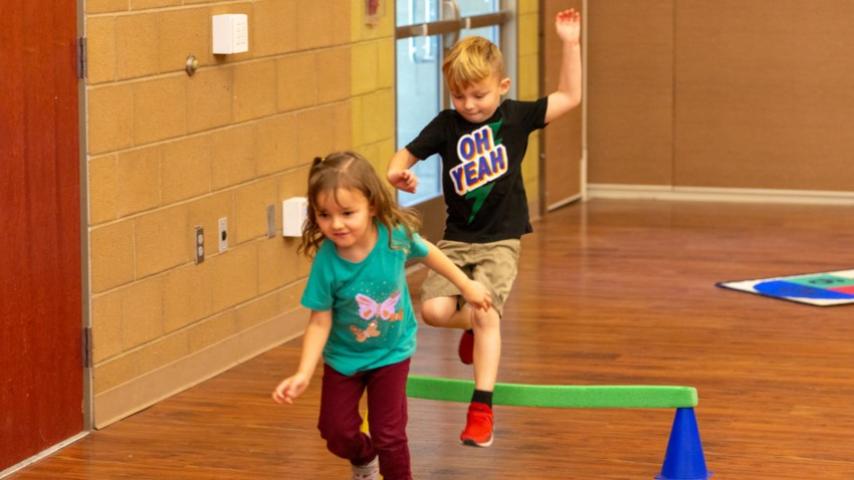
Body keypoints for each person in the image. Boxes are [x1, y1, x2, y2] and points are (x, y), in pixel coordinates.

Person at [386, 9, 583, 447]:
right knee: (434, 312)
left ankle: (481, 409)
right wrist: (397, 175)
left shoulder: (515, 117)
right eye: (460, 97)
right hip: (456, 239)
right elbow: (403, 157)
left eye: (479, 95)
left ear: (502, 87)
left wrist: (570, 43)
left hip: (500, 240)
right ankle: (474, 330)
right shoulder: (445, 125)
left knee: (484, 309)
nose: (470, 105)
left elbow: (569, 96)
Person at [272, 151, 492, 480]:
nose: (336, 224)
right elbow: (319, 320)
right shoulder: (327, 263)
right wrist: (303, 372)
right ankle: (364, 458)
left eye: (347, 213)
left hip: (391, 353)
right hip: (343, 359)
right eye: (324, 215)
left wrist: (466, 284)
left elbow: (429, 252)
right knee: (336, 433)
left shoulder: (393, 236)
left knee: (389, 435)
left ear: (371, 206)